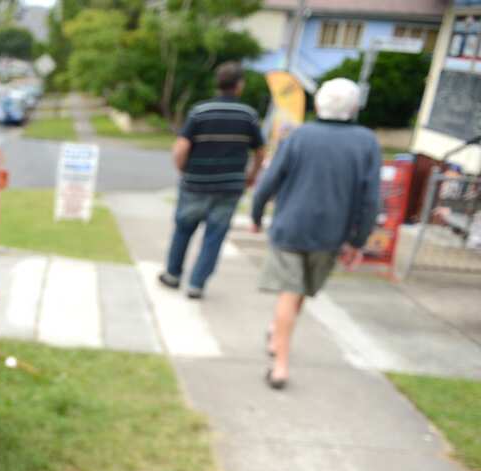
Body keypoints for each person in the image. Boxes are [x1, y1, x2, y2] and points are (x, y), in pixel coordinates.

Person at [251, 77, 381, 390]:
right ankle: (280, 360)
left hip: (290, 227)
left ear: (319, 103)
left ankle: (277, 344)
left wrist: (256, 214)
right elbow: (370, 198)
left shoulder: (298, 136)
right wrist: (358, 240)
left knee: (291, 290)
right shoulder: (366, 142)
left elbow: (270, 181)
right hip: (331, 233)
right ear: (352, 107)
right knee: (297, 290)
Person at [159, 61, 265, 299]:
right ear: (239, 86)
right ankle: (197, 284)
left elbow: (181, 147)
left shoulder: (200, 111)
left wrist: (183, 169)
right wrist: (251, 176)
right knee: (214, 236)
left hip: (195, 183)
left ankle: (173, 275)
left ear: (218, 83)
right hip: (229, 186)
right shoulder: (248, 115)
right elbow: (260, 152)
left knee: (183, 230)